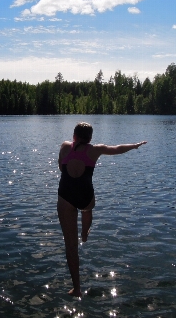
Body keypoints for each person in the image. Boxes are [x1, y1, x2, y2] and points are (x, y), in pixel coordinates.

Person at [57, 122, 147, 298]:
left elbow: (61, 167)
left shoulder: (65, 146)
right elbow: (118, 149)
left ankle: (77, 288)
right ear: (90, 138)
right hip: (85, 195)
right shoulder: (95, 150)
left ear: (74, 136)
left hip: (65, 196)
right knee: (87, 209)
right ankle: (85, 233)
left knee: (70, 247)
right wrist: (135, 146)